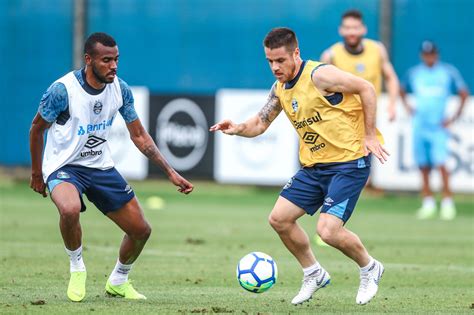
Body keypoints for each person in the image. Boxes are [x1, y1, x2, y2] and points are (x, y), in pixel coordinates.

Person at [210, 27, 388, 305]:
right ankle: (313, 272)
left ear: (296, 53)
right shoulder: (279, 89)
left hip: (348, 162)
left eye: (280, 60)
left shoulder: (320, 75)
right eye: (269, 61)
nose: (274, 67)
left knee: (327, 231)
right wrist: (238, 127)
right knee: (279, 219)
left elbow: (366, 88)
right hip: (315, 167)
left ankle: (369, 267)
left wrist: (368, 134)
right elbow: (260, 123)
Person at [29, 32, 194, 302]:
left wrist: (170, 172)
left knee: (141, 230)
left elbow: (139, 136)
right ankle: (77, 266)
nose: (114, 66)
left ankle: (118, 280)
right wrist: (37, 173)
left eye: (116, 59)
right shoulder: (62, 91)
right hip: (64, 166)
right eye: (106, 60)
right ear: (88, 60)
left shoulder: (120, 88)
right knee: (69, 209)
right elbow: (36, 129)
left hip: (100, 167)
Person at [400, 40, 469, 220]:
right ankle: (428, 202)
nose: (429, 57)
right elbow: (401, 89)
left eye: (432, 54)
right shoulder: (415, 73)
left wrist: (453, 117)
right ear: (422, 55)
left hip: (438, 126)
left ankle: (447, 202)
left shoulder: (447, 72)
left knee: (441, 164)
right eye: (426, 54)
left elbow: (463, 92)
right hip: (419, 125)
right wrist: (408, 107)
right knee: (423, 165)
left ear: (436, 55)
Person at [320, 9, 399, 121]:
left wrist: (392, 104)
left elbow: (391, 78)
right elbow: (319, 89)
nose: (351, 32)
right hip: (343, 121)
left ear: (364, 29)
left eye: (356, 28)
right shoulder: (330, 56)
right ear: (340, 30)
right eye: (347, 28)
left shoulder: (377, 49)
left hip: (371, 119)